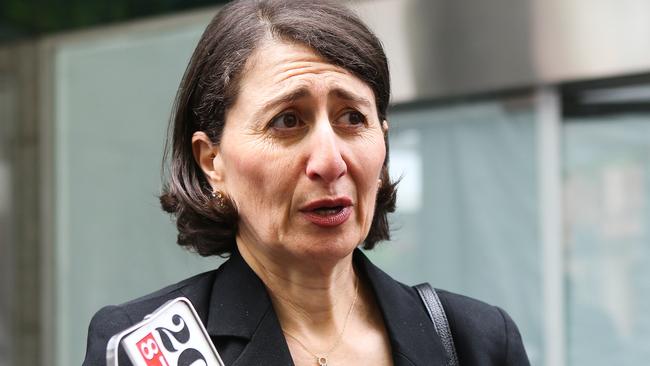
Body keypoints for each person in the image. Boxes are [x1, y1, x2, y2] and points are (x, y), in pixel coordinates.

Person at [83, 0, 531, 365]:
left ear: (383, 142)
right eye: (287, 121)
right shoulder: (146, 347)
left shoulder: (478, 342)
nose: (330, 161)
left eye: (352, 118)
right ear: (212, 160)